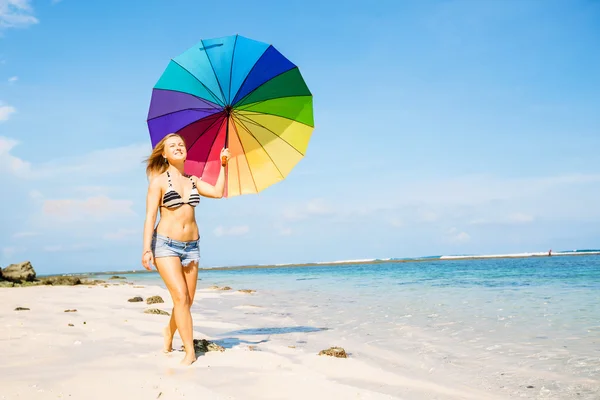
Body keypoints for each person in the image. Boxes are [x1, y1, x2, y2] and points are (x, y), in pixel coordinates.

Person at [141, 132, 230, 366]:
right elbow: (150, 217)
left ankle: (169, 332)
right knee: (180, 296)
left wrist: (223, 165)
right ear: (164, 153)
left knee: (187, 300)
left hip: (192, 246)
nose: (179, 147)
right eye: (173, 145)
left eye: (181, 144)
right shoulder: (158, 182)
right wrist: (146, 249)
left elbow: (218, 192)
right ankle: (189, 351)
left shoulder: (193, 180)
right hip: (165, 245)